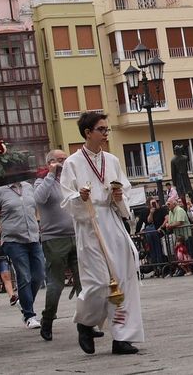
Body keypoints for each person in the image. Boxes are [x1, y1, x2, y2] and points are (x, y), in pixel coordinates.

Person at [59, 111, 141, 356]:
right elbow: (66, 198)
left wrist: (119, 197)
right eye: (101, 129)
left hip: (112, 223)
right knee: (99, 282)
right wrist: (80, 196)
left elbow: (125, 192)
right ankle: (85, 323)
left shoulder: (112, 160)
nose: (106, 134)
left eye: (107, 129)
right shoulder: (72, 163)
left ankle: (121, 337)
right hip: (90, 225)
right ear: (88, 133)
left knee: (122, 279)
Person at [0, 179, 43, 329]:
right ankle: (29, 315)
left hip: (33, 237)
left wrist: (37, 222)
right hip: (13, 240)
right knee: (24, 276)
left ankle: (23, 303)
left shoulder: (28, 187)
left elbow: (35, 208)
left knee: (39, 275)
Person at [32, 150, 75, 341]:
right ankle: (48, 319)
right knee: (56, 283)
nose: (64, 163)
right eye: (60, 160)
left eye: (66, 159)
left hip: (76, 235)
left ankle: (87, 324)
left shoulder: (69, 180)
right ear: (50, 162)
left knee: (84, 281)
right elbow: (39, 199)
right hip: (54, 239)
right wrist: (50, 174)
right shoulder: (41, 181)